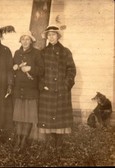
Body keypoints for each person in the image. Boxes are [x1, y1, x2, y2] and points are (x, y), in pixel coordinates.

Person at [38, 25, 76, 153]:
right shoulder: (42, 52)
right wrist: (42, 84)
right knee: (48, 118)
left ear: (58, 36)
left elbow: (71, 70)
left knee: (60, 119)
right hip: (47, 90)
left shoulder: (66, 52)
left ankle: (59, 143)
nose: (51, 37)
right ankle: (51, 141)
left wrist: (65, 86)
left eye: (54, 34)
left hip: (61, 91)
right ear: (47, 37)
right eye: (49, 35)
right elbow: (39, 71)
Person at [12, 31, 44, 150]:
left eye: (27, 39)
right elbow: (13, 68)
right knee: (19, 117)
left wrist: (31, 68)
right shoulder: (17, 53)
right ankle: (18, 138)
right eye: (23, 39)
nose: (25, 41)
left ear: (31, 41)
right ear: (20, 41)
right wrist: (14, 67)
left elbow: (41, 70)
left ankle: (24, 140)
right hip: (19, 89)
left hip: (31, 90)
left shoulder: (36, 53)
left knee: (28, 117)